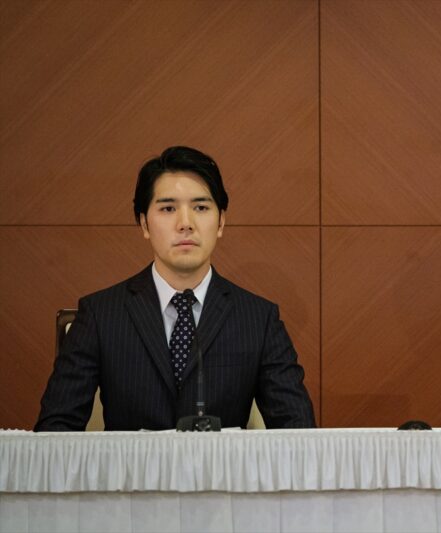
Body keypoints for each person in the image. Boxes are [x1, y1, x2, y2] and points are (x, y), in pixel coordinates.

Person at [35, 146, 315, 431]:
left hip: (219, 463)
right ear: (144, 223)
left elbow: (298, 430)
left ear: (221, 222)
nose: (185, 224)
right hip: (132, 463)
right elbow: (55, 430)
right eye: (168, 209)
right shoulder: (100, 315)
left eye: (201, 208)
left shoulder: (258, 319)